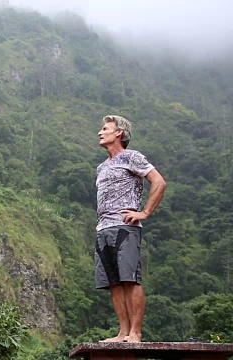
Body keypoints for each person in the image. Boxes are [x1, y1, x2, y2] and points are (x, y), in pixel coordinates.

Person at [95, 115, 166, 343]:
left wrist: (144, 212)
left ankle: (136, 332)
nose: (100, 132)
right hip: (103, 229)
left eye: (105, 128)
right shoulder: (101, 167)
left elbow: (159, 182)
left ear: (119, 133)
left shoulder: (131, 157)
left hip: (125, 227)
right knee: (113, 283)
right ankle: (123, 332)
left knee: (130, 279)